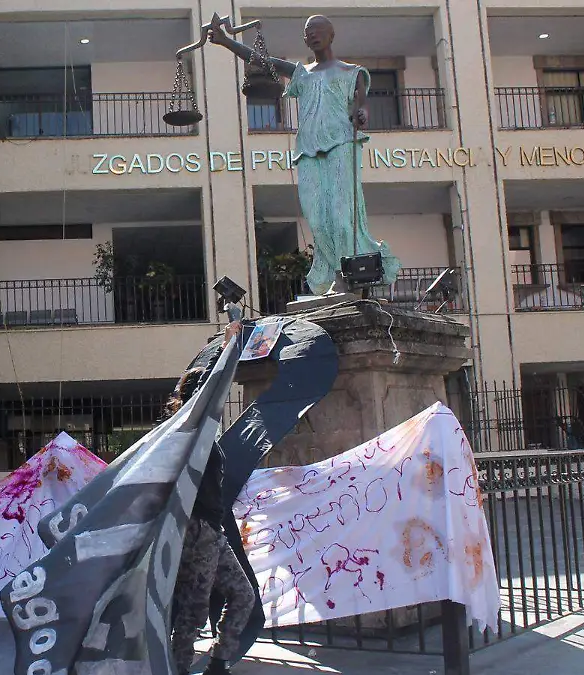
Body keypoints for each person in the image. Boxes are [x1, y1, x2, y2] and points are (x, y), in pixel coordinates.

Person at [208, 15, 401, 295]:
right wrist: (226, 42)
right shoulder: (302, 73)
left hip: (341, 144)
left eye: (319, 30)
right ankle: (335, 273)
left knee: (341, 215)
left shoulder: (352, 72)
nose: (313, 35)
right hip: (308, 149)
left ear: (331, 35)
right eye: (308, 32)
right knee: (318, 220)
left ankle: (348, 276)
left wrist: (362, 113)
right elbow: (261, 60)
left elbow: (362, 104)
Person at [168, 321, 255, 675]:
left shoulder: (203, 434)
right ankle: (178, 668)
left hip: (210, 529)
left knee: (242, 594)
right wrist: (226, 346)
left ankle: (219, 661)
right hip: (196, 528)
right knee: (193, 609)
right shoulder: (188, 430)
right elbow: (211, 386)